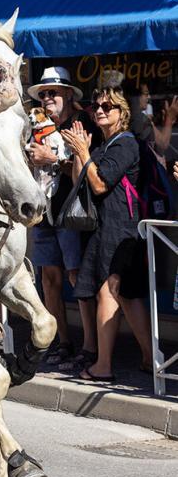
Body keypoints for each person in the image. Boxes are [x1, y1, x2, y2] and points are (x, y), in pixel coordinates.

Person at [62, 88, 153, 381]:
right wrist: (80, 153)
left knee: (112, 293)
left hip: (119, 228)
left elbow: (100, 185)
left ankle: (104, 365)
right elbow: (81, 181)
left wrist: (85, 153)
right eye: (96, 105)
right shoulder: (105, 144)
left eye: (108, 106)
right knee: (124, 294)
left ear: (122, 113)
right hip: (109, 228)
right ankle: (150, 359)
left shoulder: (125, 144)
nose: (100, 110)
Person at [27, 66, 101, 369]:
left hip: (71, 211)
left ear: (68, 94)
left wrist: (52, 158)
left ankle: (90, 347)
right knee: (49, 279)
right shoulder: (37, 125)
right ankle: (62, 342)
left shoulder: (80, 122)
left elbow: (86, 165)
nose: (47, 98)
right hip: (43, 211)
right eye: (43, 94)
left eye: (52, 92)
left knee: (76, 277)